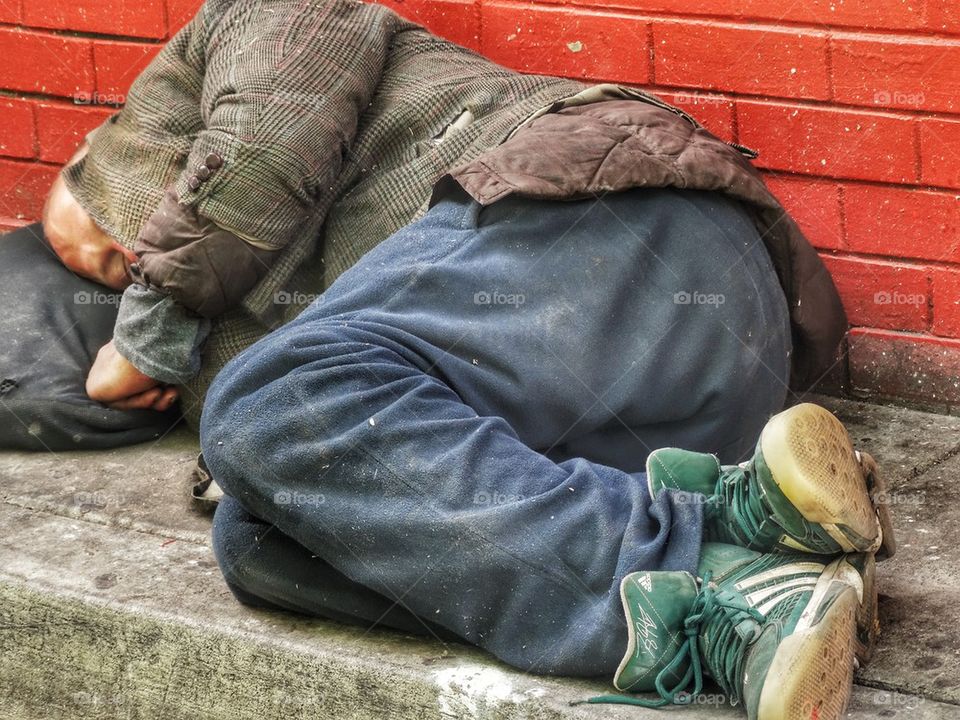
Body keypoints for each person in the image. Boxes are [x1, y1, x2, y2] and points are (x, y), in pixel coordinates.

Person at [32, 0, 893, 717]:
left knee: (268, 401)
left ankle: (701, 561)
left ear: (123, 151)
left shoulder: (253, 19)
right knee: (255, 540)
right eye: (110, 281)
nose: (128, 271)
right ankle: (746, 562)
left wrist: (145, 334)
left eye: (113, 247)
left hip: (631, 233)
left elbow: (261, 148)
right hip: (659, 426)